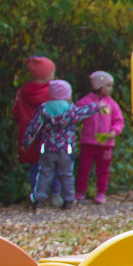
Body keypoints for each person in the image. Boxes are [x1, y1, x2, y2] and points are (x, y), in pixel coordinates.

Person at [22, 79, 97, 209]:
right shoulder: (71, 109)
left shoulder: (44, 109)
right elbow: (84, 112)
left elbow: (34, 126)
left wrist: (26, 141)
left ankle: (39, 199)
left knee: (45, 173)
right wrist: (97, 106)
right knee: (66, 175)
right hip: (66, 149)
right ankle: (68, 200)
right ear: (67, 94)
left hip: (47, 148)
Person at [77, 70, 125, 205]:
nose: (110, 89)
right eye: (107, 85)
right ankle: (80, 192)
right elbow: (76, 114)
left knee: (103, 170)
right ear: (98, 86)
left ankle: (101, 192)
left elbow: (118, 121)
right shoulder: (85, 102)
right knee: (84, 169)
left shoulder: (112, 104)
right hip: (88, 142)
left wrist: (114, 131)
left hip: (106, 144)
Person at [14, 56, 55, 174]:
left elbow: (16, 112)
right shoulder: (52, 92)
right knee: (51, 167)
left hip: (28, 132)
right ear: (46, 75)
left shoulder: (22, 92)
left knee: (34, 166)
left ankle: (35, 186)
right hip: (48, 135)